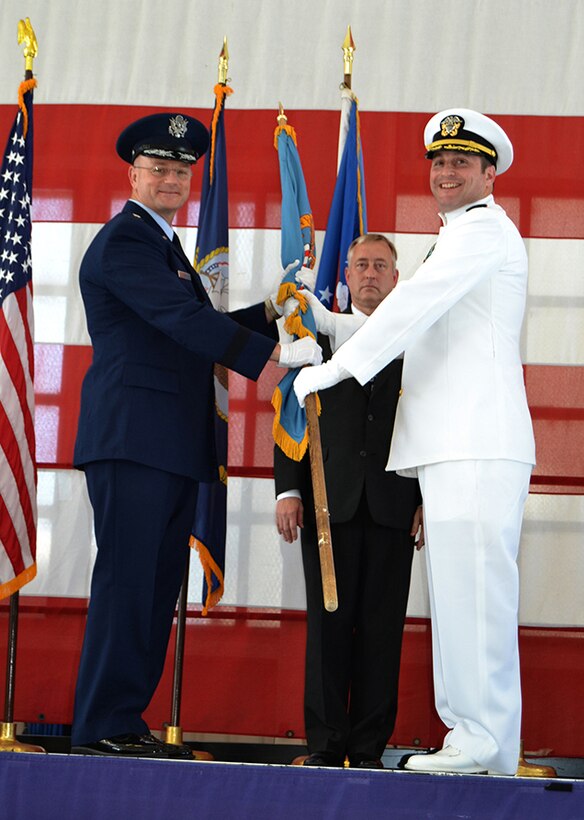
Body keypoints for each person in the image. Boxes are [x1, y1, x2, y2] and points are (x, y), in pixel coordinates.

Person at [70, 112, 321, 759]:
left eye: (182, 171)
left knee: (154, 585)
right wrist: (274, 357)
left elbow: (190, 323)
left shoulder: (163, 248)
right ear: (133, 174)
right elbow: (183, 321)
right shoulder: (126, 241)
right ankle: (101, 722)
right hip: (135, 439)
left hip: (165, 442)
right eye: (159, 168)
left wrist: (269, 312)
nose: (172, 179)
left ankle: (122, 721)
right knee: (130, 581)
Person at [293, 109, 535, 776]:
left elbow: (408, 308)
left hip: (477, 441)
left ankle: (481, 740)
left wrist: (330, 369)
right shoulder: (457, 237)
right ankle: (481, 745)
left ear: (490, 173)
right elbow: (412, 321)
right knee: (462, 599)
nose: (447, 172)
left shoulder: (481, 232)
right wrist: (326, 326)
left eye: (462, 162)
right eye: (440, 162)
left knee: (478, 599)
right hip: (458, 445)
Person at [275, 234, 423, 770]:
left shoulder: (418, 341)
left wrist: (427, 498)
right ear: (347, 273)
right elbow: (291, 414)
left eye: (381, 265)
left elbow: (433, 423)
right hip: (324, 505)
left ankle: (366, 750)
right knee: (328, 627)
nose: (370, 273)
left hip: (393, 506)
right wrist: (288, 489)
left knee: (382, 632)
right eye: (361, 263)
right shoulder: (317, 340)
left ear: (396, 277)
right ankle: (324, 743)